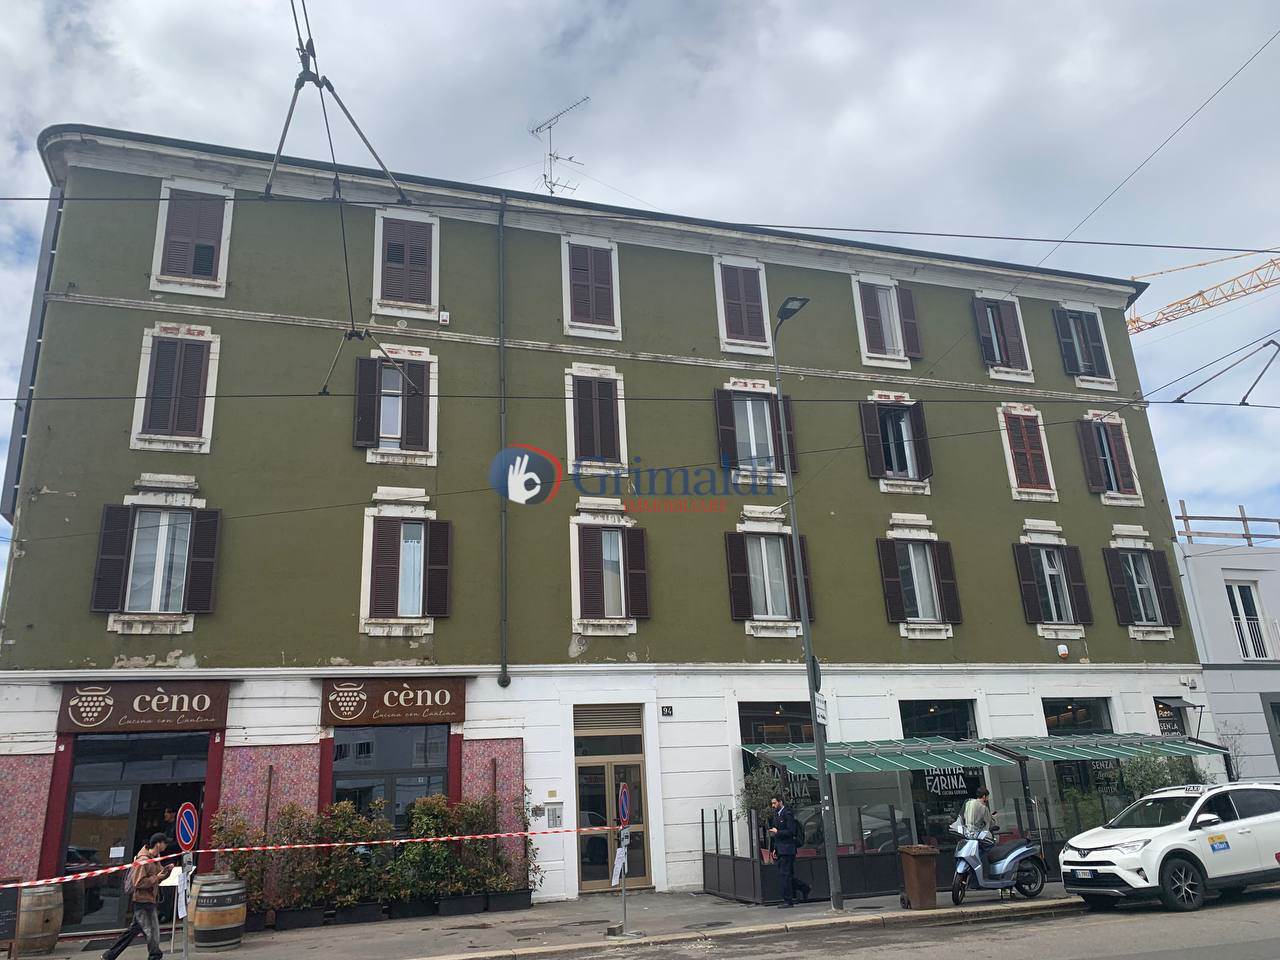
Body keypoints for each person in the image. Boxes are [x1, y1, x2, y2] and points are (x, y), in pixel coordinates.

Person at [103, 833, 173, 960]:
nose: (166, 845)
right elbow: (138, 882)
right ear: (158, 844)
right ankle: (155, 955)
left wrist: (167, 871)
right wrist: (157, 878)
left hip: (150, 899)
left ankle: (109, 955)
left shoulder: (155, 858)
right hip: (142, 900)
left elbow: (159, 876)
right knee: (152, 931)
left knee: (135, 931)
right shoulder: (143, 860)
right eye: (165, 843)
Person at [767, 794, 810, 908]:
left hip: (788, 849)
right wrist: (775, 848)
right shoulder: (777, 814)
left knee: (785, 875)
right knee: (787, 875)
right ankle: (803, 888)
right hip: (781, 848)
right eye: (772, 803)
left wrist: (778, 832)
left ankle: (788, 900)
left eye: (774, 803)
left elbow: (791, 831)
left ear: (780, 802)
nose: (773, 805)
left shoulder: (787, 813)